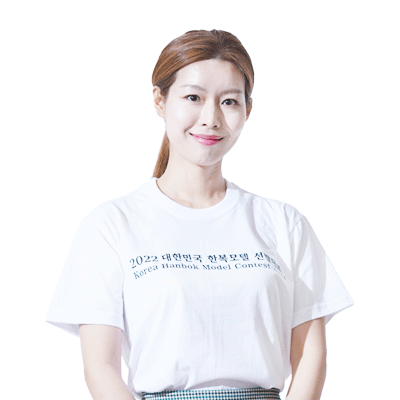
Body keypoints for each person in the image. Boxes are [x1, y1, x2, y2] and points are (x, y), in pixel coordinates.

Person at [46, 29, 354, 400]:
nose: (211, 118)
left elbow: (310, 356)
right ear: (160, 100)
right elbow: (100, 367)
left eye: (229, 101)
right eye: (193, 97)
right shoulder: (111, 225)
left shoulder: (285, 224)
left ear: (248, 109)